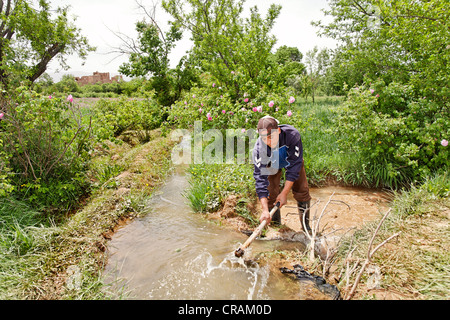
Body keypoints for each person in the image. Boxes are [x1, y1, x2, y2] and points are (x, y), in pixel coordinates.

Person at [252, 115, 312, 233]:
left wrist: (284, 193)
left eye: (271, 137)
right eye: (264, 138)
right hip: (271, 164)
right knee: (270, 195)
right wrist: (264, 209)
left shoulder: (292, 135)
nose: (268, 142)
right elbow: (260, 180)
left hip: (290, 160)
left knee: (302, 190)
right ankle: (277, 229)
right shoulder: (259, 150)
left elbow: (294, 166)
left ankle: (306, 228)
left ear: (278, 131)